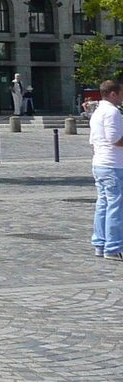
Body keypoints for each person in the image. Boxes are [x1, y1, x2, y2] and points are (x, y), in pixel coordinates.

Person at [89, 79, 123, 260]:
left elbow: (93, 143)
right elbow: (114, 138)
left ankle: (100, 243)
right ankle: (113, 246)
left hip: (100, 163)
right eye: (121, 93)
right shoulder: (112, 111)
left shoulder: (97, 112)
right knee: (115, 206)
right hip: (113, 165)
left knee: (103, 204)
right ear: (113, 94)